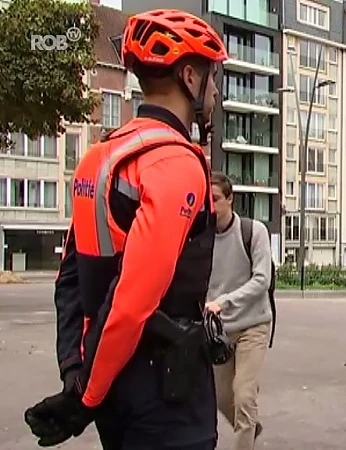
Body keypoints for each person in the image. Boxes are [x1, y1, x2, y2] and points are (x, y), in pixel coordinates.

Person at [23, 9, 228, 449]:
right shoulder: (177, 162)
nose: (214, 93)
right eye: (212, 80)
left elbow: (71, 283)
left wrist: (78, 381)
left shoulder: (100, 157)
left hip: (116, 394)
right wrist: (85, 397)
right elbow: (133, 299)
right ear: (189, 78)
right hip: (168, 401)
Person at [205, 171, 274, 450]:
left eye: (216, 199)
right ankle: (250, 426)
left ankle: (246, 432)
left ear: (230, 199)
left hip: (253, 325)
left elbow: (262, 280)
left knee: (244, 396)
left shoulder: (253, 231)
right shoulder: (202, 238)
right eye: (206, 200)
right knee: (222, 399)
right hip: (220, 331)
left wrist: (224, 301)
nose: (211, 206)